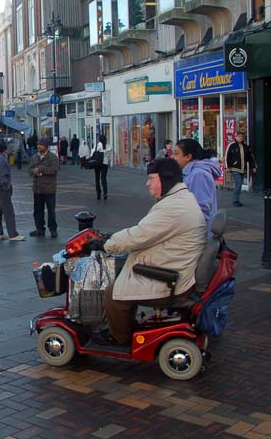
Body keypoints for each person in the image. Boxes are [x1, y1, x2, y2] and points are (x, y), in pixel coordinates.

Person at [93, 158, 207, 345]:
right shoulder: (181, 198)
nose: (147, 183)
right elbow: (146, 232)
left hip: (172, 280)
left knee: (113, 293)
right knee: (125, 280)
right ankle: (125, 326)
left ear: (165, 179)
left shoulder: (173, 207)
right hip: (175, 267)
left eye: (151, 178)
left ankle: (120, 337)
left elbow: (139, 235)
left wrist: (105, 244)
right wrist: (113, 238)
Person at [172, 138, 222, 232]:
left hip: (197, 237)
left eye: (176, 153)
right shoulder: (189, 172)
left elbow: (201, 209)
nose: (172, 157)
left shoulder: (198, 174)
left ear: (188, 156)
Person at [29, 138, 60, 238]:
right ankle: (40, 229)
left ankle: (53, 229)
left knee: (51, 210)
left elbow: (54, 170)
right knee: (38, 211)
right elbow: (29, 170)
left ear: (46, 146)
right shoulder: (34, 157)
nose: (38, 146)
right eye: (38, 144)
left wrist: (41, 169)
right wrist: (34, 172)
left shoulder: (52, 157)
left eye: (41, 145)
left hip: (49, 188)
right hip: (37, 188)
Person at [225, 132, 257, 207]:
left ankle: (237, 199)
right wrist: (227, 167)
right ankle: (235, 200)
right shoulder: (231, 145)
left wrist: (253, 166)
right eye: (239, 136)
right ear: (235, 137)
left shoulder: (246, 146)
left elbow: (250, 157)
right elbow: (227, 156)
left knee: (239, 184)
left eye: (241, 136)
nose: (240, 138)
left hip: (243, 168)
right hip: (234, 168)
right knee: (238, 183)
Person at [92, 134, 113, 200]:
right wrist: (109, 163)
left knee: (97, 179)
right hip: (105, 164)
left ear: (99, 139)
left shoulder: (96, 146)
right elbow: (110, 156)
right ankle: (105, 193)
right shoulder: (108, 146)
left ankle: (98, 194)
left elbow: (92, 154)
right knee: (103, 178)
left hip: (97, 163)